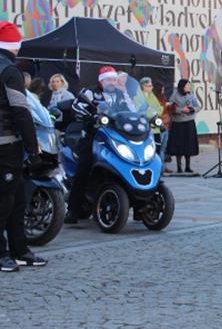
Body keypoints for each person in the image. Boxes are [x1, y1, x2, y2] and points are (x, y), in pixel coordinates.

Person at [0, 21, 47, 271]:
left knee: (16, 198)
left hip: (6, 143)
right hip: (7, 144)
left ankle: (19, 250)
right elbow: (21, 111)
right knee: (6, 201)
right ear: (15, 46)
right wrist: (33, 148)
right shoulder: (10, 71)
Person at [65, 66, 129, 223]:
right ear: (101, 81)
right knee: (84, 167)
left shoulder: (120, 94)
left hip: (117, 137)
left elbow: (131, 110)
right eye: (108, 79)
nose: (112, 82)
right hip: (93, 136)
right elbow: (76, 106)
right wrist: (90, 116)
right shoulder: (90, 92)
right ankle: (73, 210)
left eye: (114, 79)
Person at [166, 79, 201, 173]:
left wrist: (192, 109)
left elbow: (198, 106)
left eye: (189, 85)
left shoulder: (191, 95)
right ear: (182, 87)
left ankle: (188, 167)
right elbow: (170, 108)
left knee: (189, 144)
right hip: (178, 123)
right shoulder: (174, 95)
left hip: (189, 122)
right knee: (179, 145)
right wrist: (182, 110)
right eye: (187, 86)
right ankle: (179, 167)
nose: (189, 87)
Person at [140, 77, 170, 171]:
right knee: (149, 150)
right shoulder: (139, 97)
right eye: (149, 86)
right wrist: (153, 111)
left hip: (156, 128)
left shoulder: (152, 96)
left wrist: (153, 111)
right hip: (147, 128)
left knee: (158, 149)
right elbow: (142, 111)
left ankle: (159, 168)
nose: (151, 88)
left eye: (151, 86)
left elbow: (160, 109)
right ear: (143, 86)